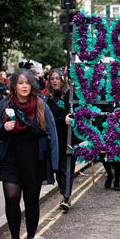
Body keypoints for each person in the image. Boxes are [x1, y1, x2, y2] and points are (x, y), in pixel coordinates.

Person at [0, 69, 59, 239]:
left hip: (34, 158)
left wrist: (54, 164)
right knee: (12, 197)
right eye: (20, 83)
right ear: (14, 85)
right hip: (11, 158)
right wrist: (4, 127)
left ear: (32, 86)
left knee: (31, 200)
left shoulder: (40, 105)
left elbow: (51, 134)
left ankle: (30, 237)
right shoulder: (3, 105)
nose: (24, 86)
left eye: (27, 83)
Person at [45, 69, 75, 210]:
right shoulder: (48, 98)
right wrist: (62, 120)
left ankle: (66, 196)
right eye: (52, 79)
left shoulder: (69, 95)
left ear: (62, 80)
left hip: (68, 137)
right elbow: (47, 119)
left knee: (67, 167)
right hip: (54, 138)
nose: (55, 81)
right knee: (57, 169)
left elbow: (74, 113)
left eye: (57, 78)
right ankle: (64, 192)